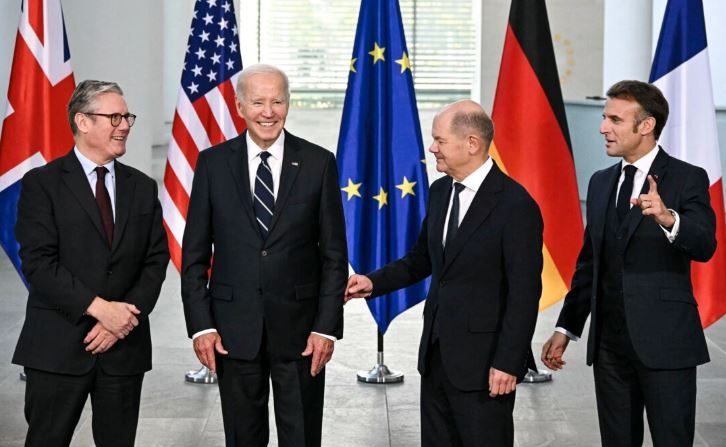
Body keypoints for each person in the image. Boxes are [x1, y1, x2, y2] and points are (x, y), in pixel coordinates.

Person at [346, 100, 543, 447]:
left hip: (486, 366)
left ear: (472, 144)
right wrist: (373, 281)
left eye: (439, 140)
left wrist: (509, 362)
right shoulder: (440, 192)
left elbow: (524, 293)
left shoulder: (516, 205)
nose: (432, 148)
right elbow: (422, 259)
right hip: (437, 359)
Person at [541, 80, 717, 446]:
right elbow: (590, 264)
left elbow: (704, 245)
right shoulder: (602, 182)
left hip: (666, 345)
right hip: (609, 348)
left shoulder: (688, 177)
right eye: (605, 117)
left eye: (615, 119)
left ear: (646, 125)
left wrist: (669, 219)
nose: (603, 127)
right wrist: (566, 328)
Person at [181, 63, 348, 447]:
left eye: (277, 101)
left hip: (302, 332)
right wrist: (202, 325)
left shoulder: (319, 163)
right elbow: (193, 256)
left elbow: (334, 255)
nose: (268, 112)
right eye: (258, 102)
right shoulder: (212, 164)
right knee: (242, 437)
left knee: (302, 437)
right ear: (239, 106)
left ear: (289, 104)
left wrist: (325, 327)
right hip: (231, 331)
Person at [12, 80, 170, 446]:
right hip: (57, 347)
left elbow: (155, 260)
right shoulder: (42, 183)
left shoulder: (142, 186)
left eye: (127, 116)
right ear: (82, 122)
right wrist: (100, 310)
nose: (125, 125)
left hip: (123, 350)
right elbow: (38, 263)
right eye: (114, 116)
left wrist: (122, 320)